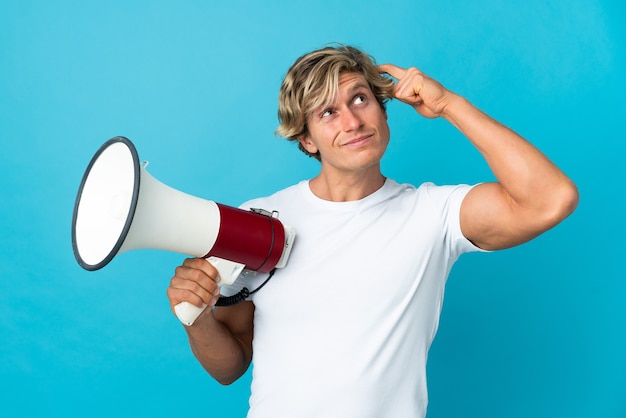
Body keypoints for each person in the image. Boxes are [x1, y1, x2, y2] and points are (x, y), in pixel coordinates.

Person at [166, 44, 578, 417]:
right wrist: (198, 319)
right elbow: (231, 364)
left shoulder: (433, 215)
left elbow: (550, 199)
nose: (352, 121)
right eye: (328, 112)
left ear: (383, 110)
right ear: (307, 139)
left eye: (360, 99)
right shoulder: (260, 221)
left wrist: (449, 104)